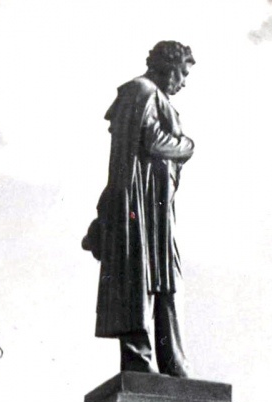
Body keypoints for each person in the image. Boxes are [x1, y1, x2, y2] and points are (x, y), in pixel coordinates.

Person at [83, 41, 196, 377]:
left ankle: (174, 363)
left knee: (164, 282)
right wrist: (187, 146)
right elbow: (152, 140)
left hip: (156, 209)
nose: (184, 82)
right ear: (168, 65)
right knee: (139, 280)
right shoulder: (141, 90)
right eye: (183, 73)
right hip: (139, 207)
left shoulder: (150, 94)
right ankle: (140, 362)